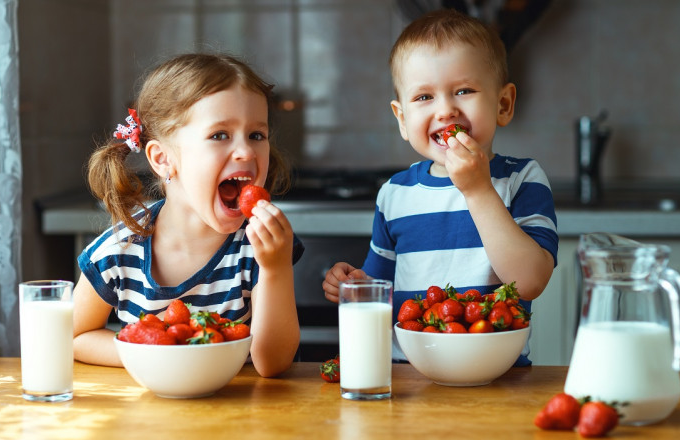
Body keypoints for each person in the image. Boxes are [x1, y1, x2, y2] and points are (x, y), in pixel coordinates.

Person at [322, 9, 558, 365]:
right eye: (423, 97)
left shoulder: (523, 179)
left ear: (503, 104)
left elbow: (530, 282)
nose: (446, 110)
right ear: (402, 119)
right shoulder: (394, 194)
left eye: (463, 91)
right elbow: (379, 294)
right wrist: (353, 287)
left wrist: (478, 190)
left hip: (497, 376)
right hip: (407, 377)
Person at [72, 53, 303, 377]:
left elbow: (272, 363)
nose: (247, 152)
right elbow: (75, 336)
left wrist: (276, 268)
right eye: (220, 134)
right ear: (163, 159)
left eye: (257, 135)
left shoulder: (260, 249)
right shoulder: (119, 251)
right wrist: (158, 353)